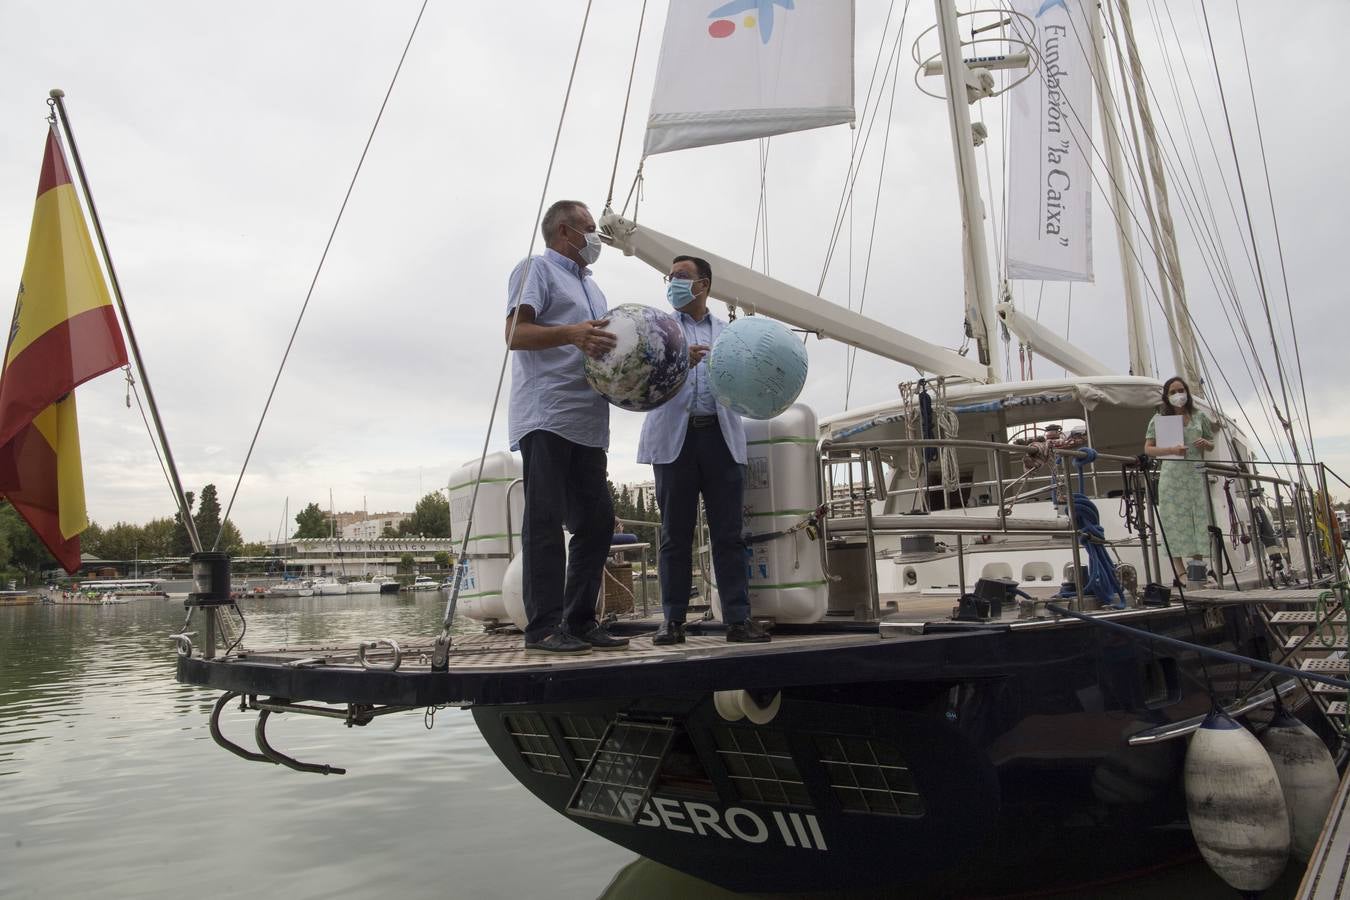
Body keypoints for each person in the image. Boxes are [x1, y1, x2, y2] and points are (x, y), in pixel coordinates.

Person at [505, 200, 629, 655]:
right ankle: (542, 627)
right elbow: (515, 335)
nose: (596, 238)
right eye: (591, 229)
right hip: (548, 415)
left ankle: (579, 621)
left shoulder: (593, 288)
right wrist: (573, 333)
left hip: (589, 421)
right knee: (544, 521)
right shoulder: (534, 269)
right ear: (564, 230)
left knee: (596, 523)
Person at [638, 255, 770, 644]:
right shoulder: (655, 331)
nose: (673, 282)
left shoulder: (731, 335)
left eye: (682, 276)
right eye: (670, 277)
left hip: (720, 438)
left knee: (729, 534)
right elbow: (640, 381)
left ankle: (738, 620)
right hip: (674, 441)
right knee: (674, 535)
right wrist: (679, 361)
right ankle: (672, 620)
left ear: (704, 285)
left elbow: (750, 383)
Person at [1143, 376, 1217, 584]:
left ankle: (1198, 568)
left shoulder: (1199, 416)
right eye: (1173, 392)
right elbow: (1148, 449)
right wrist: (1171, 450)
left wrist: (1206, 444)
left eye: (1181, 390)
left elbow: (1211, 443)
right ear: (1167, 396)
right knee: (1173, 521)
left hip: (1194, 474)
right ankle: (1180, 572)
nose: (1178, 395)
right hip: (1172, 476)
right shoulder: (1160, 419)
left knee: (1198, 520)